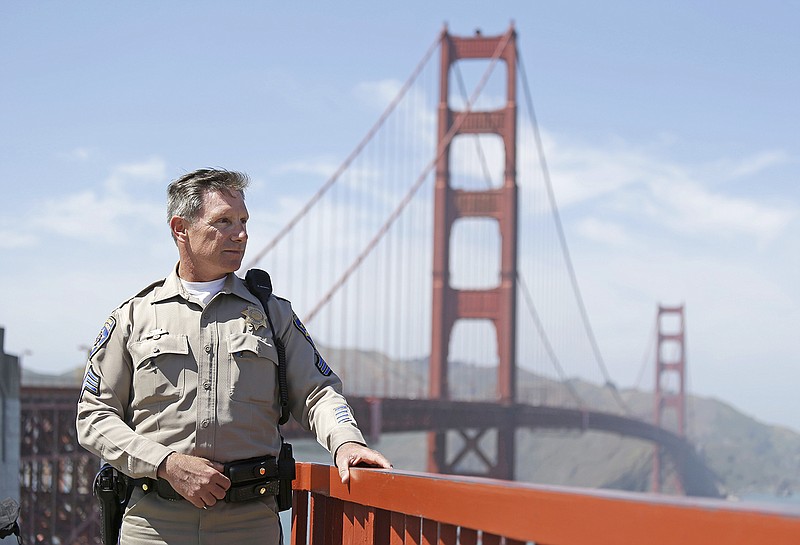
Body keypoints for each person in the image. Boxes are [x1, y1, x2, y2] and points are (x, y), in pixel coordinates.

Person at [76, 168, 391, 544]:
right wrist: (167, 464)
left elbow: (317, 392)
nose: (240, 234)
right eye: (223, 221)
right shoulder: (132, 317)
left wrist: (347, 442)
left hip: (249, 524)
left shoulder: (274, 315)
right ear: (181, 229)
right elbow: (94, 417)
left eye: (243, 221)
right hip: (153, 526)